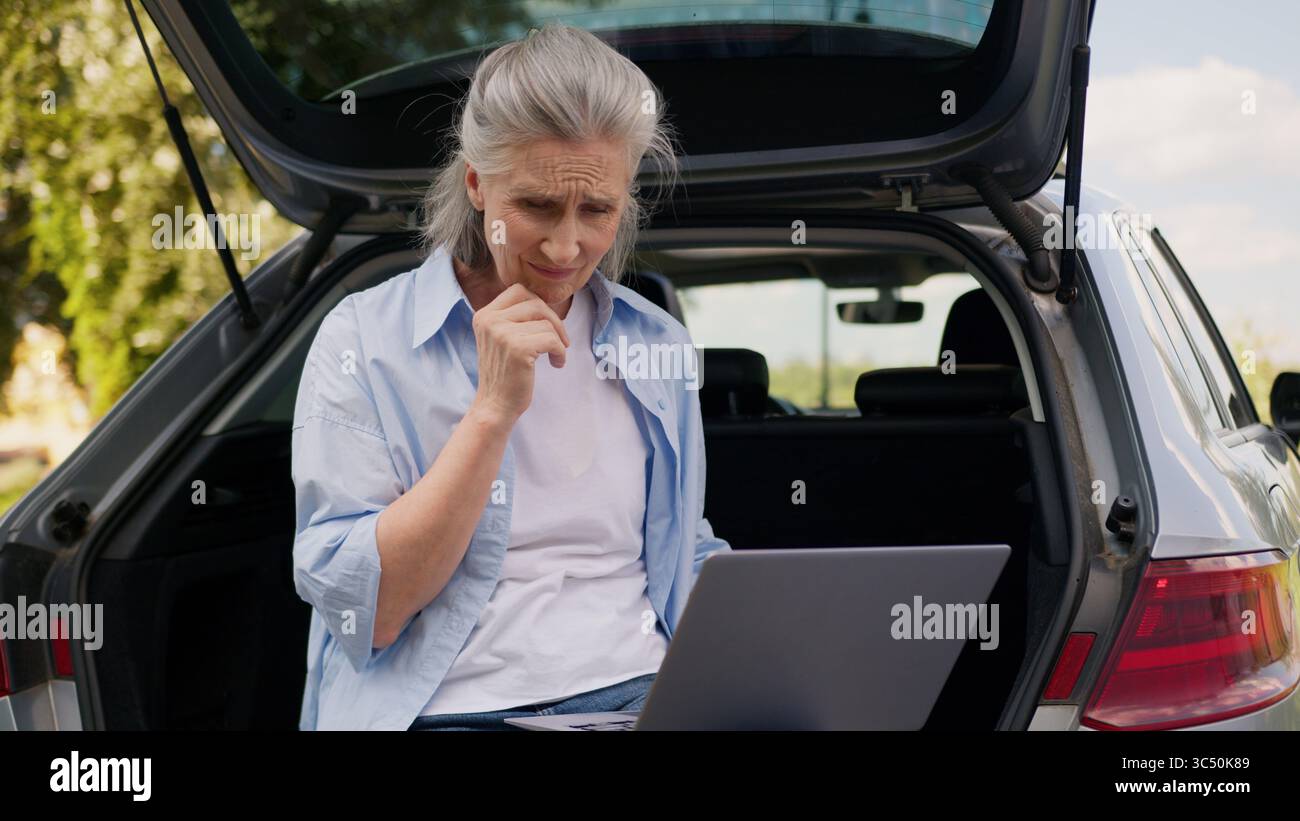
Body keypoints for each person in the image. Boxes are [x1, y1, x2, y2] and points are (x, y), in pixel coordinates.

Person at [289, 22, 731, 731]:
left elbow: (678, 547)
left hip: (644, 696)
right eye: (536, 206)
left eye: (597, 210)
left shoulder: (658, 345)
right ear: (476, 185)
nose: (566, 245)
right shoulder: (364, 340)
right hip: (459, 711)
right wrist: (491, 412)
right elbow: (366, 610)